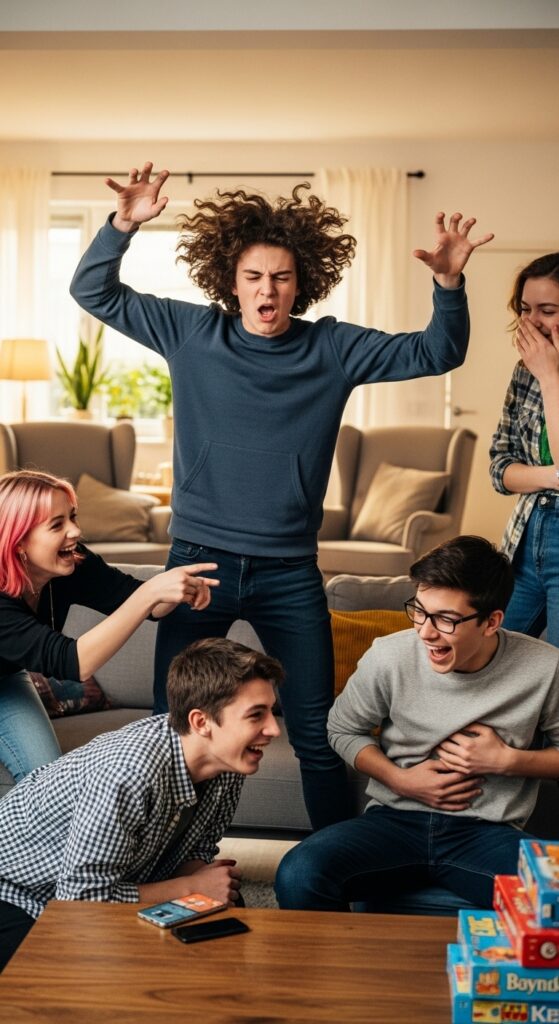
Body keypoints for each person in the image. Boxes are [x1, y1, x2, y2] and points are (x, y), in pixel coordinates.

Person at [69, 160, 494, 830]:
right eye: (253, 277)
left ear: (302, 283)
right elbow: (93, 291)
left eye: (281, 277)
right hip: (197, 563)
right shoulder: (191, 333)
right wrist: (123, 225)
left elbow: (436, 353)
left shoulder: (332, 348)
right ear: (230, 282)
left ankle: (330, 874)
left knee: (320, 733)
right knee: (169, 729)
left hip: (288, 573)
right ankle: (165, 859)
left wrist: (447, 283)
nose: (267, 290)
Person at [274, 535, 559, 912]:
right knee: (298, 873)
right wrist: (400, 779)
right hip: (394, 822)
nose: (425, 631)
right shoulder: (390, 656)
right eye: (420, 611)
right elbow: (341, 729)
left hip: (488, 833)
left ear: (492, 622)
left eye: (445, 619)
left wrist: (506, 761)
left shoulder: (544, 666)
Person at [0, 636, 283, 971]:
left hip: (108, 881)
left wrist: (203, 885)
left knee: (226, 929)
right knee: (73, 983)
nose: (274, 729)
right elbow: (80, 900)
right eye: (256, 715)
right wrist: (190, 887)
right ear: (201, 722)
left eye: (272, 712)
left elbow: (201, 846)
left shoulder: (227, 763)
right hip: (19, 892)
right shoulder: (129, 772)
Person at [0, 468, 219, 781]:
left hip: (6, 681)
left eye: (72, 517)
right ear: (19, 541)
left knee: (48, 782)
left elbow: (139, 600)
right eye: (57, 524)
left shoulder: (71, 561)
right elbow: (76, 662)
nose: (75, 531)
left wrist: (178, 587)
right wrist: (150, 593)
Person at [490, 253, 559, 646]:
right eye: (525, 309)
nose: (531, 322)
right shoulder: (523, 370)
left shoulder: (541, 371)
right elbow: (500, 468)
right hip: (526, 533)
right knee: (494, 656)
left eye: (546, 310)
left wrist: (552, 376)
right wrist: (552, 477)